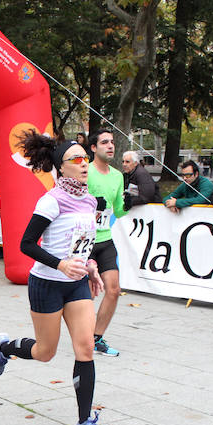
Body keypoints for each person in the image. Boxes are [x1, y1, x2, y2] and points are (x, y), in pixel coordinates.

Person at [0, 133, 111, 425]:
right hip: (47, 283)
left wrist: (90, 266)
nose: (85, 164)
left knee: (85, 348)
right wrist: (60, 265)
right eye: (77, 160)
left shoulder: (89, 200)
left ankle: (84, 422)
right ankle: (4, 348)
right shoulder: (51, 200)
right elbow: (26, 244)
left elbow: (82, 243)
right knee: (45, 352)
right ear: (61, 166)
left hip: (77, 284)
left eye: (86, 158)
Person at [85, 130, 126, 357]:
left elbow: (118, 211)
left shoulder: (118, 176)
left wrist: (128, 204)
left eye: (112, 142)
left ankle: (96, 338)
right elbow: (73, 203)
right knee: (85, 294)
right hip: (84, 241)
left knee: (114, 289)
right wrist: (92, 203)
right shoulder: (86, 172)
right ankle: (82, 332)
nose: (110, 146)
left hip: (105, 239)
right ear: (93, 148)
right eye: (104, 142)